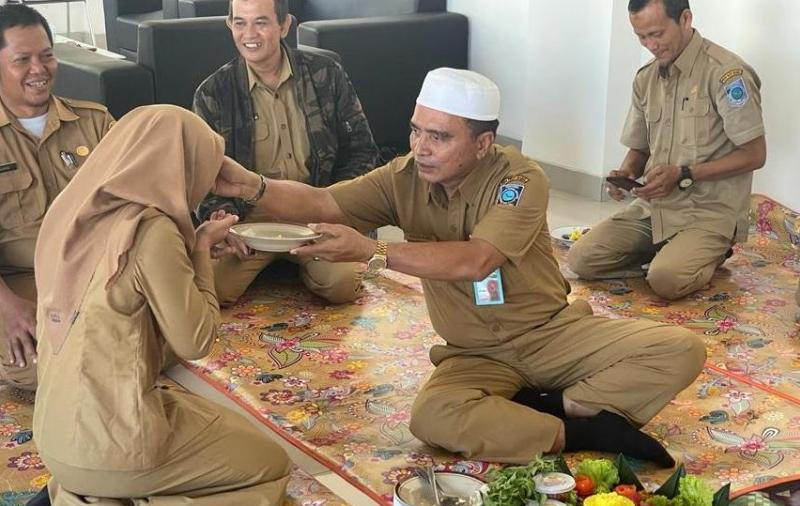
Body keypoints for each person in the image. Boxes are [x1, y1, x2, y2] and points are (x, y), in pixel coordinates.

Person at [224, 67, 707, 466]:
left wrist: (373, 252)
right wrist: (249, 187)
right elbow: (322, 203)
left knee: (680, 349)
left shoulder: (520, 180)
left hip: (551, 333)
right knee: (433, 417)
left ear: (483, 143)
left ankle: (539, 407)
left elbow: (479, 260)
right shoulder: (404, 177)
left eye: (439, 136)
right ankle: (579, 431)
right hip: (473, 352)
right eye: (416, 130)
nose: (421, 147)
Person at [19, 106, 290, 506]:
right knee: (270, 464)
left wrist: (190, 249)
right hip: (109, 449)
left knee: (201, 413)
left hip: (53, 435)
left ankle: (78, 490)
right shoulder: (150, 231)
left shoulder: (74, 211)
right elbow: (195, 341)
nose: (206, 182)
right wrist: (200, 249)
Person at [567, 0, 766, 300]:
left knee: (666, 281)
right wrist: (626, 173)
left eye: (657, 34)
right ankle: (668, 256)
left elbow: (755, 154)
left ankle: (703, 254)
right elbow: (640, 148)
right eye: (641, 37)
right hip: (656, 208)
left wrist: (684, 173)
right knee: (582, 258)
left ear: (685, 19)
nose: (651, 45)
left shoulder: (726, 74)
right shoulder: (646, 78)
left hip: (709, 212)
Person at [193, 0, 379, 306]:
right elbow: (203, 174)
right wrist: (223, 219)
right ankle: (276, 264)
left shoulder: (326, 74)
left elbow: (362, 151)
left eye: (261, 22)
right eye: (240, 23)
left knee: (342, 285)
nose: (249, 34)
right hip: (250, 222)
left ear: (284, 25)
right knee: (212, 287)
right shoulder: (213, 93)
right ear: (229, 25)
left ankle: (298, 265)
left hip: (317, 213)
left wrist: (340, 208)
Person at [0, 3, 113, 390]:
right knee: (32, 366)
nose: (39, 69)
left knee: (167, 326)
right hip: (21, 282)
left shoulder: (96, 123)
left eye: (46, 56)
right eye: (22, 60)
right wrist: (7, 308)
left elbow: (136, 198)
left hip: (96, 272)